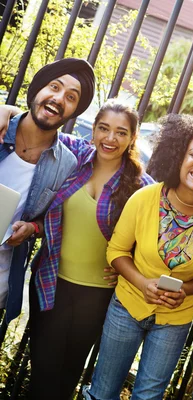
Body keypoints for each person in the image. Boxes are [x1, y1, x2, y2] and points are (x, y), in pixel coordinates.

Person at [83, 114, 193, 400]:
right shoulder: (145, 198)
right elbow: (116, 251)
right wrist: (141, 283)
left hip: (175, 321)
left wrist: (185, 290)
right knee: (102, 392)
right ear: (179, 157)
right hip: (126, 307)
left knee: (149, 396)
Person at [2, 100, 153, 399]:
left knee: (68, 374)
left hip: (98, 294)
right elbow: (34, 126)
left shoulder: (141, 187)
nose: (110, 139)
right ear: (93, 130)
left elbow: (151, 242)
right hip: (51, 283)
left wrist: (129, 268)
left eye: (121, 133)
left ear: (132, 138)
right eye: (104, 129)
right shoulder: (72, 157)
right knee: (43, 371)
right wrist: (6, 111)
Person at [0, 58, 95, 336]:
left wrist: (32, 228)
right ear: (38, 89)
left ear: (74, 110)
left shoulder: (66, 164)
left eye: (71, 97)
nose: (58, 98)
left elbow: (49, 219)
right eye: (54, 86)